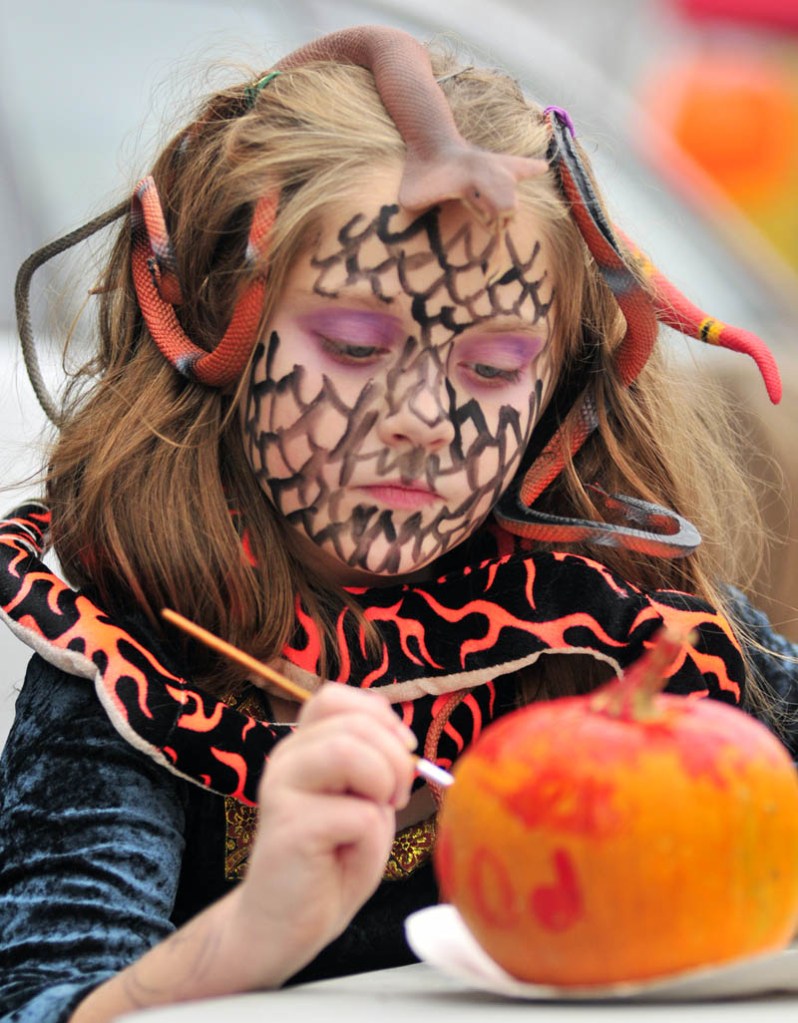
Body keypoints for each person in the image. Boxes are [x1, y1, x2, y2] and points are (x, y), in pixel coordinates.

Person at [0, 24, 796, 1023]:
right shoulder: (130, 655)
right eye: (353, 344)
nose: (425, 420)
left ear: (556, 392)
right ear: (219, 337)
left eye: (495, 368)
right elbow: (38, 999)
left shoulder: (612, 624)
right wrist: (252, 936)